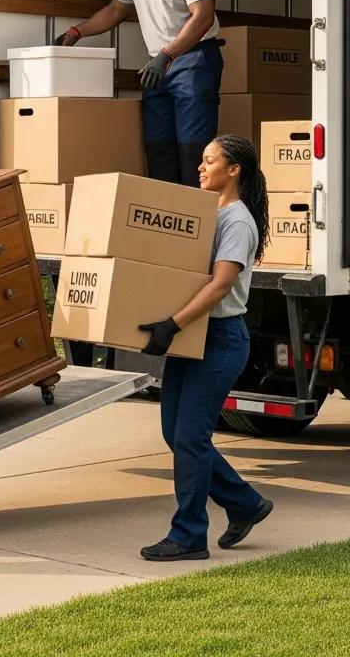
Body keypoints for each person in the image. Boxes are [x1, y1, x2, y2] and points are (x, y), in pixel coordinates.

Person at [137, 135, 273, 560]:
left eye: (209, 161)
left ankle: (189, 535)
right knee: (175, 433)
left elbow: (221, 285)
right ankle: (245, 503)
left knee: (191, 438)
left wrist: (170, 324)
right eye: (201, 160)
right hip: (193, 336)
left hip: (220, 340)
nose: (200, 167)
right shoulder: (206, 215)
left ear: (234, 170)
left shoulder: (237, 222)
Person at [55, 0, 221, 187]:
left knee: (192, 150)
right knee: (158, 148)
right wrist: (76, 32)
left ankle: (197, 225)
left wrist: (167, 55)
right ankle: (165, 219)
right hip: (158, 64)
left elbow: (203, 17)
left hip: (193, 61)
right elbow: (116, 10)